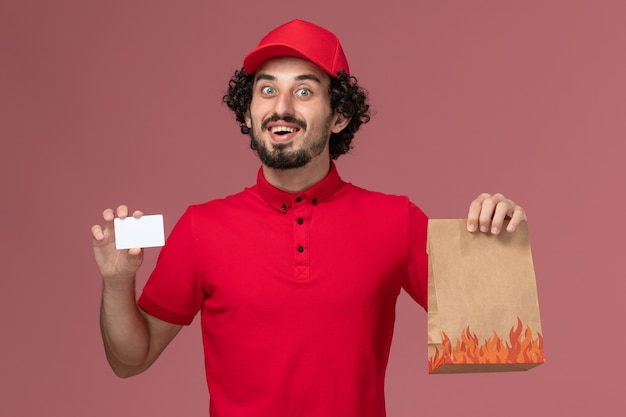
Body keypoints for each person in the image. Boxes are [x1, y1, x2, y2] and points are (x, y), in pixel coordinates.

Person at [91, 19, 526, 417]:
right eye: (266, 90)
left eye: (303, 91)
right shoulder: (201, 228)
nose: (281, 107)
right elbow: (131, 360)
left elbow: (496, 336)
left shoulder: (396, 220)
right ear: (248, 113)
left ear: (340, 115)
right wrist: (116, 283)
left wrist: (502, 241)